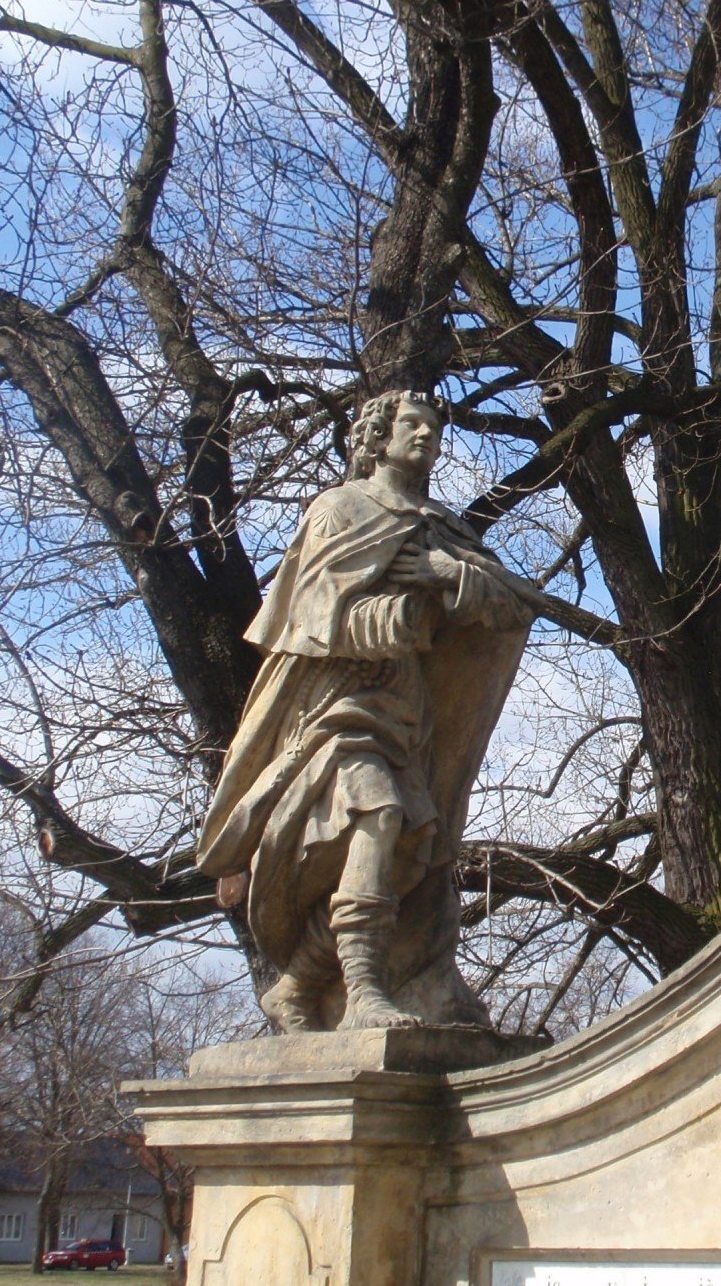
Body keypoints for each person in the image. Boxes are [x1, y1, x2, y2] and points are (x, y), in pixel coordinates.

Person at [198, 390, 534, 1031]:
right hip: (335, 702)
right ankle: (364, 991)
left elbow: (510, 606)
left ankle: (297, 984)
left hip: (405, 709)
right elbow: (315, 616)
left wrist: (446, 573)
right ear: (376, 437)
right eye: (412, 425)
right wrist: (402, 615)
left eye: (434, 429)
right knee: (378, 814)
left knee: (406, 849)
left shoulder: (441, 526)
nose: (426, 437)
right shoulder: (341, 509)